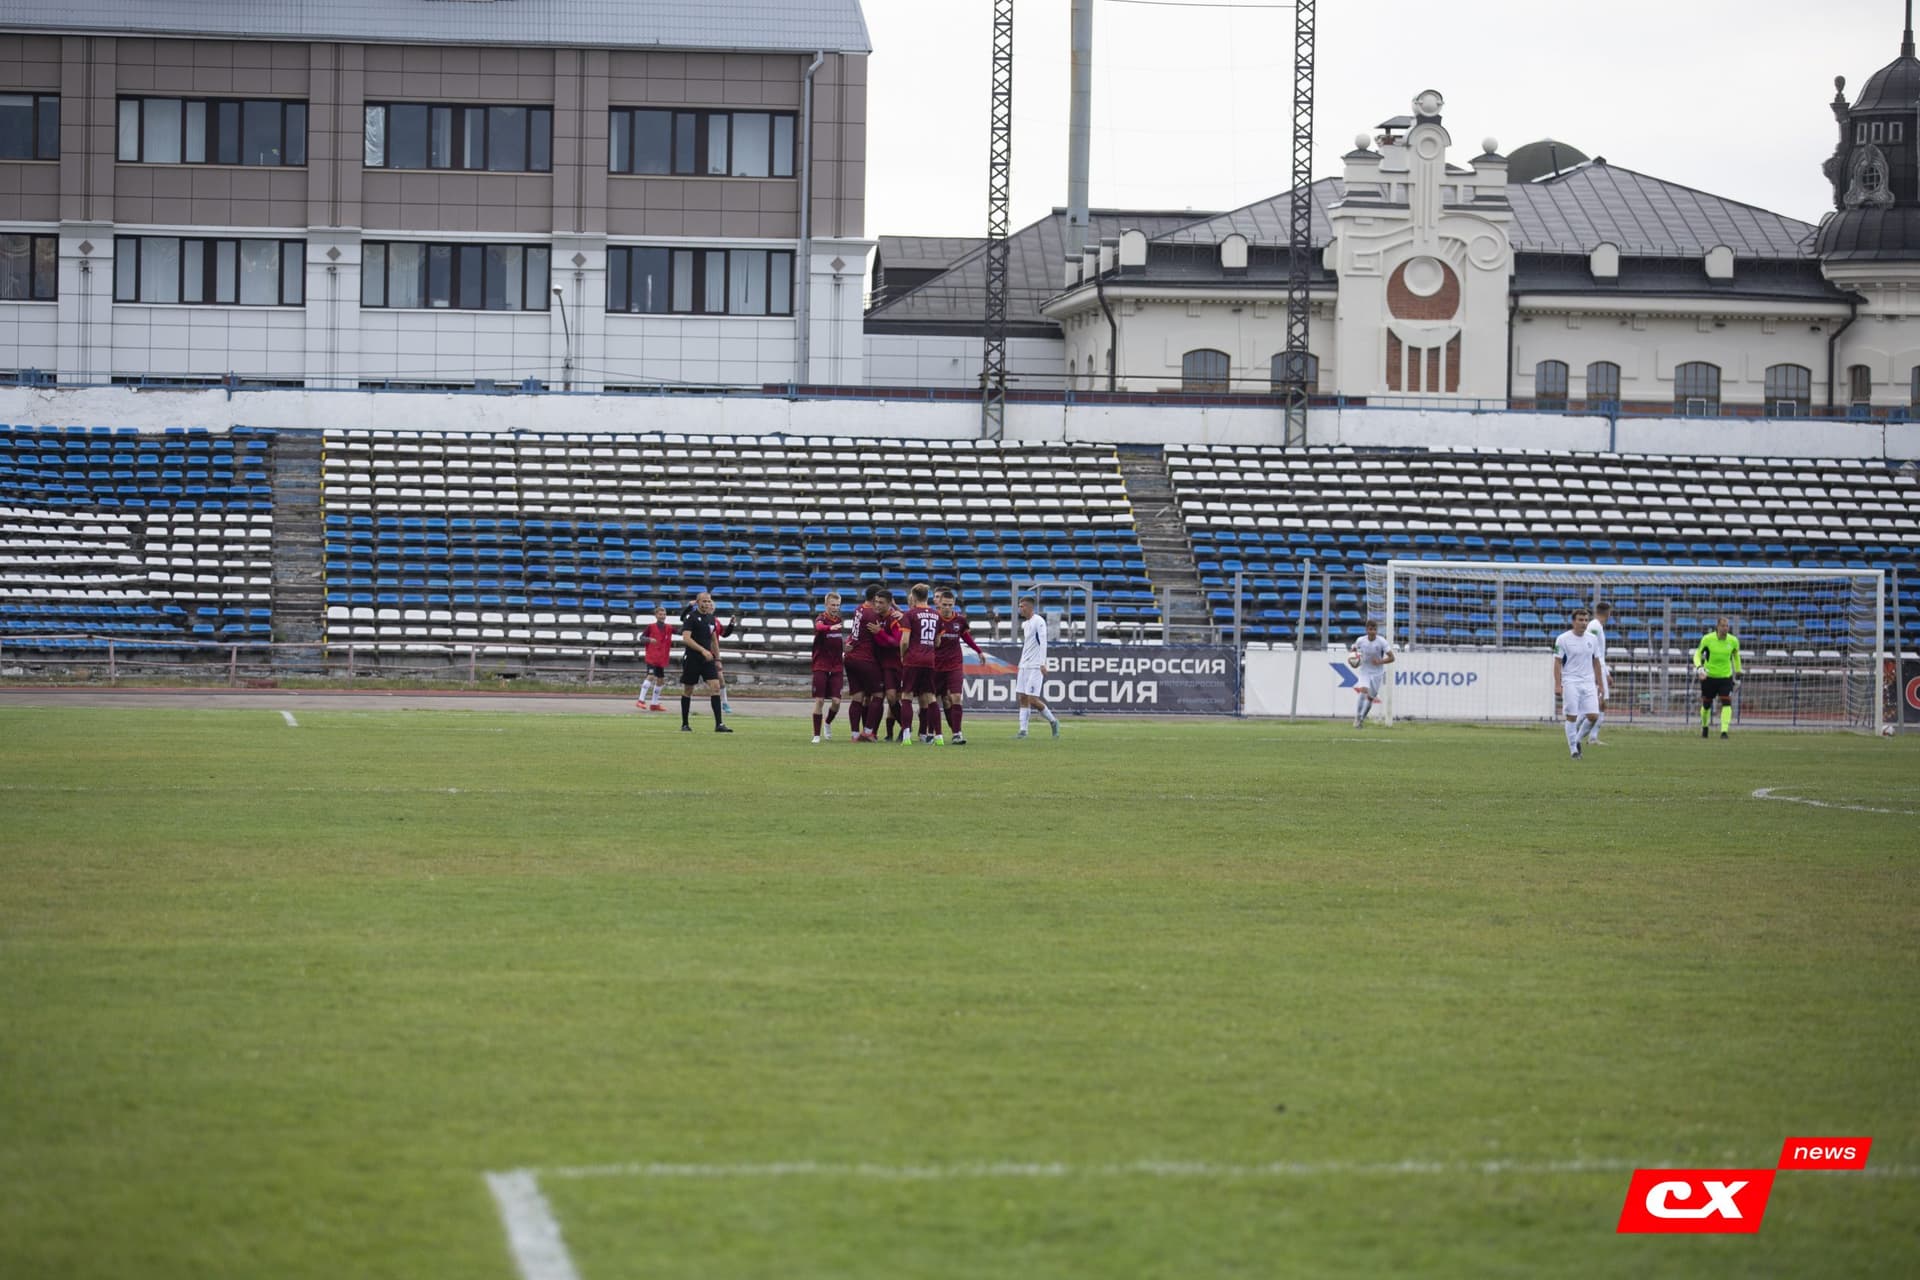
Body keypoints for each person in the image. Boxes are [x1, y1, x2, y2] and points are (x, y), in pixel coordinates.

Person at [933, 589, 986, 745]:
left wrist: (979, 651)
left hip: (954, 664)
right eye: (944, 605)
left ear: (954, 604)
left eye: (950, 605)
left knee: (955, 697)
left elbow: (966, 637)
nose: (947, 608)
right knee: (932, 700)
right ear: (939, 604)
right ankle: (932, 733)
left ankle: (957, 733)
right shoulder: (934, 619)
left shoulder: (960, 621)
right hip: (936, 665)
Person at [1553, 606, 1605, 761]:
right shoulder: (1563, 639)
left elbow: (1596, 662)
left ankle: (1576, 739)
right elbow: (1557, 663)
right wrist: (1558, 684)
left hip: (1588, 681)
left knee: (1593, 716)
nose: (1583, 623)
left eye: (1586, 620)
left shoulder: (1592, 639)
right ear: (1573, 622)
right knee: (1572, 716)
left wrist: (1600, 684)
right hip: (1570, 681)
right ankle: (1573, 750)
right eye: (1580, 620)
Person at [678, 590, 732, 733]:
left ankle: (719, 724)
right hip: (692, 658)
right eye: (704, 601)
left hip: (708, 659)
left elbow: (714, 640)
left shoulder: (711, 619)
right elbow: (686, 638)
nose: (707, 603)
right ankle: (685, 723)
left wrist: (718, 658)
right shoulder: (691, 617)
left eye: (709, 601)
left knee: (715, 687)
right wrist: (702, 650)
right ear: (697, 602)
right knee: (688, 690)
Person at [898, 583, 943, 744]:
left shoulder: (909, 615)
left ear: (913, 596)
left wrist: (903, 655)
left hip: (913, 659)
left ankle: (907, 736)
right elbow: (938, 641)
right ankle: (939, 737)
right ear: (927, 596)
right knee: (931, 697)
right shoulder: (936, 615)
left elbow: (904, 641)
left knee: (907, 696)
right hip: (929, 660)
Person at [844, 584, 886, 743]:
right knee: (878, 694)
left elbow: (855, 633)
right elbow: (880, 637)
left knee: (858, 697)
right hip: (864, 658)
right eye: (879, 601)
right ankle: (868, 731)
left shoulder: (859, 609)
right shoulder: (872, 614)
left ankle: (855, 735)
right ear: (875, 599)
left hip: (851, 657)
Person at [1015, 595, 1060, 739]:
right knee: (1022, 697)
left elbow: (1043, 642)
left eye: (1022, 606)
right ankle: (1023, 731)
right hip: (1024, 665)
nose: (1020, 609)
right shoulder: (1026, 624)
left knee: (1033, 699)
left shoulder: (1038, 621)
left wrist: (1042, 663)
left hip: (1035, 666)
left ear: (1029, 607)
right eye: (1019, 606)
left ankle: (1053, 721)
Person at [1694, 615, 1743, 740]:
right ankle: (1705, 727)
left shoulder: (1733, 641)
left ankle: (1724, 731)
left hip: (1725, 677)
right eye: (1723, 625)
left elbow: (1736, 656)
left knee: (1726, 702)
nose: (1725, 628)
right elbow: (1697, 654)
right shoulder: (1707, 639)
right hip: (1709, 677)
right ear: (1717, 626)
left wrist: (1738, 670)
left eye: (1727, 626)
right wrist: (1700, 668)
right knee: (1706, 705)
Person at [810, 592, 848, 744]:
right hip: (821, 665)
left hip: (837, 666)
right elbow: (819, 627)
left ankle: (827, 722)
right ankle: (816, 735)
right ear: (826, 605)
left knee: (837, 701)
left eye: (837, 605)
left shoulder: (838, 620)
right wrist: (830, 628)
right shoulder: (821, 619)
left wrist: (847, 648)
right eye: (833, 605)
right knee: (819, 700)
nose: (835, 608)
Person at [1347, 617, 1394, 729]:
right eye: (1370, 629)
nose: (1372, 631)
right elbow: (1353, 650)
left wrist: (1380, 661)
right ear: (1366, 630)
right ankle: (1357, 717)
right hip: (1365, 670)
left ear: (1377, 630)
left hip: (1377, 673)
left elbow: (1392, 658)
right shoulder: (1360, 640)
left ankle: (1362, 719)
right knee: (1363, 691)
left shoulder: (1382, 641)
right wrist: (1352, 660)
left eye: (1374, 629)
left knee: (1370, 698)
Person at [635, 604, 673, 712]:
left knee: (660, 680)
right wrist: (649, 639)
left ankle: (654, 703)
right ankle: (640, 700)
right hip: (652, 657)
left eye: (664, 614)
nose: (662, 616)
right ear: (656, 615)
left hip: (661, 658)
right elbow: (641, 637)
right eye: (660, 614)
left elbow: (679, 632)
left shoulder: (669, 627)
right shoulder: (651, 627)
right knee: (650, 676)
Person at [1587, 601, 1613, 745]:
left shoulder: (1597, 626)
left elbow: (1599, 654)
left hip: (1599, 669)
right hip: (1594, 670)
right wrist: (1599, 674)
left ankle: (1592, 736)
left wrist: (1606, 672)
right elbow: (1591, 650)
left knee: (1599, 704)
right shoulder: (1595, 626)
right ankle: (1589, 736)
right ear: (1608, 613)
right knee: (1599, 704)